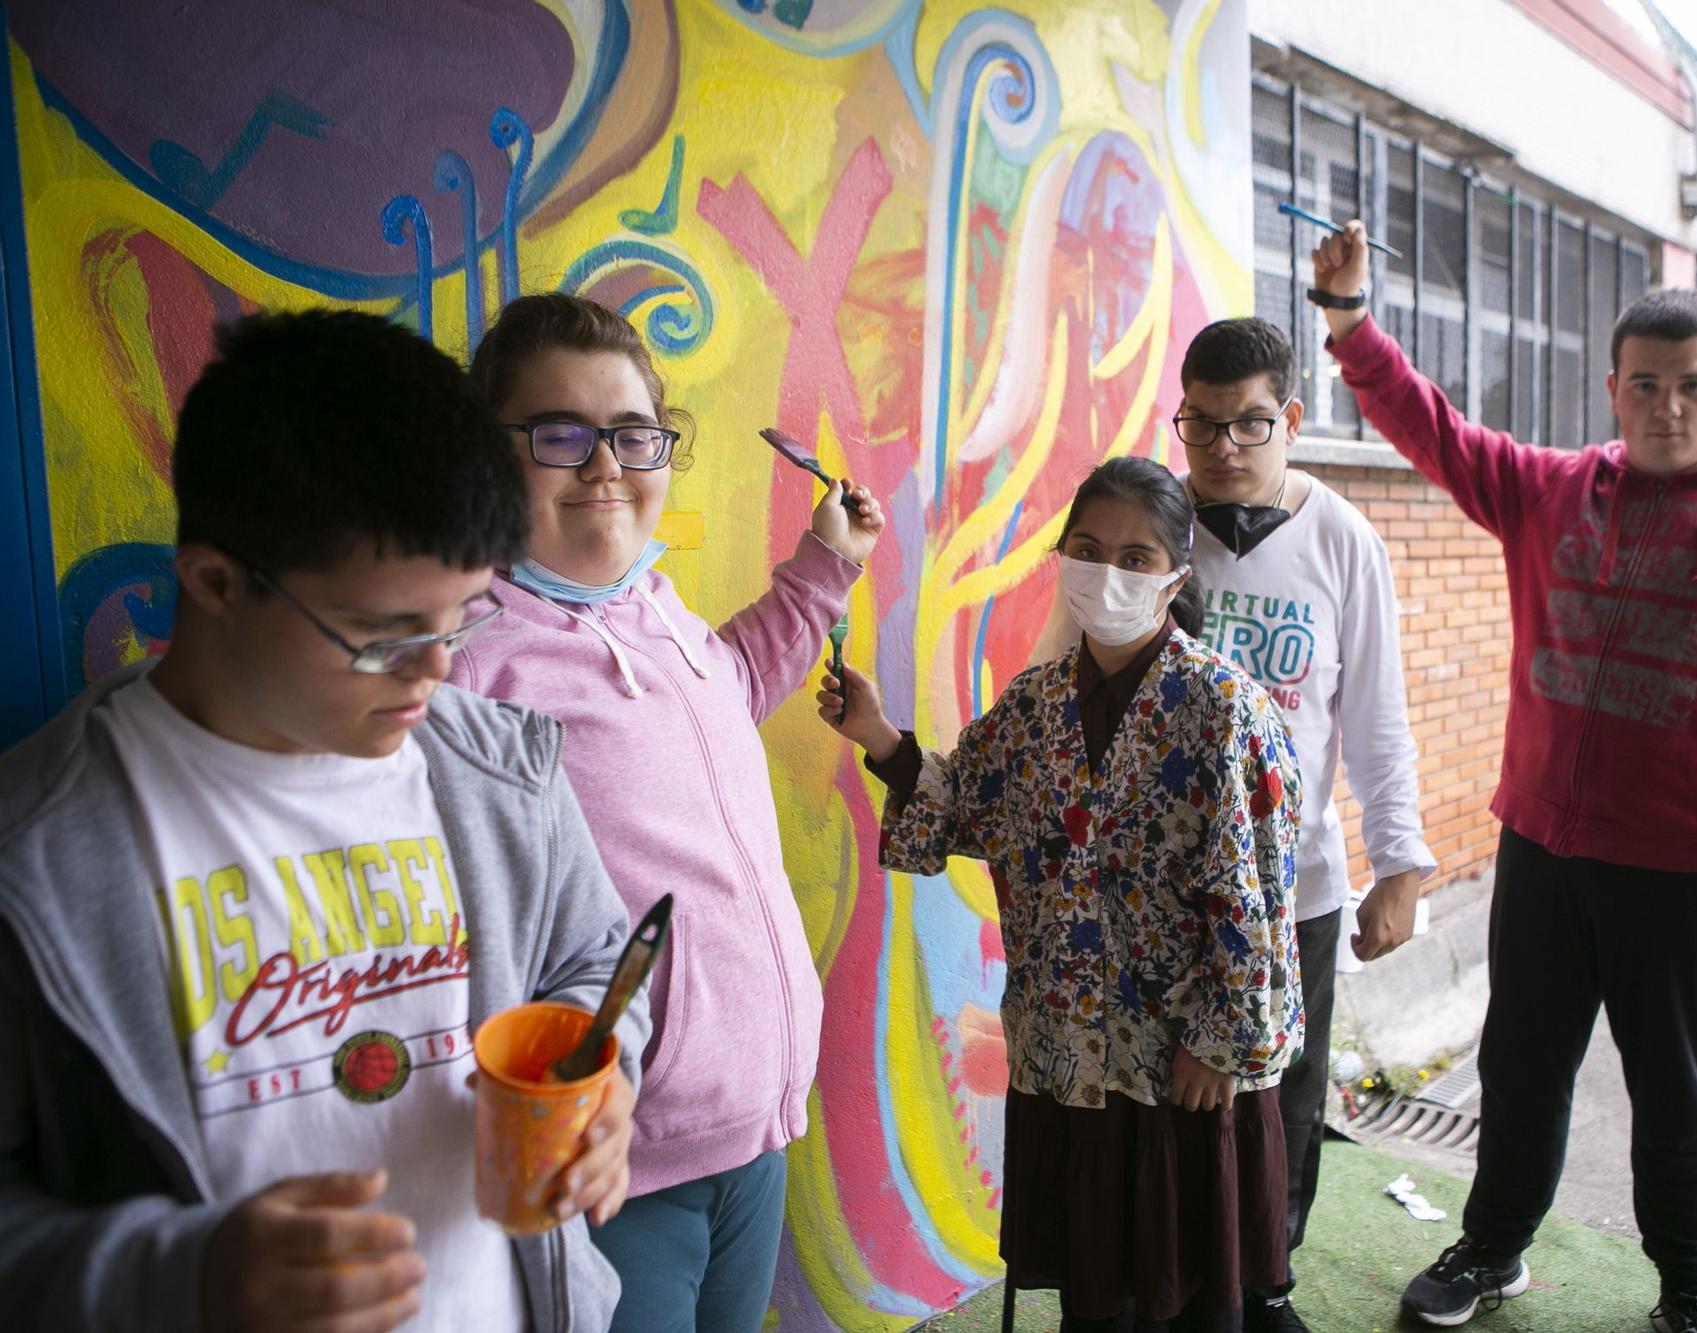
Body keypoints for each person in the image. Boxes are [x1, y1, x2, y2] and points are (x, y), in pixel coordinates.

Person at [0, 310, 646, 1333]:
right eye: (385, 636)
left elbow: (598, 963)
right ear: (214, 583)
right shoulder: (35, 859)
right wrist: (181, 1278)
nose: (438, 674)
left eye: (463, 616)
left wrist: (600, 1081)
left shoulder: (501, 772)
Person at [1308, 223, 1697, 1333]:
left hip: (1683, 878)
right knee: (1519, 1071)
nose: (1664, 407)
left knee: (1675, 1099)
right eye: (1641, 385)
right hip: (1540, 852)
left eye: (1687, 386)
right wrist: (1346, 321)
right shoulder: (1551, 491)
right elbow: (1434, 433)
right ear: (1613, 389)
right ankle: (1491, 1249)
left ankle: (1689, 1284)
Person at [451, 293, 884, 1332]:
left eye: (633, 434)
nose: (605, 465)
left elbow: (723, 687)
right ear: (485, 457)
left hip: (755, 1125)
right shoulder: (470, 662)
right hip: (621, 1164)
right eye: (560, 434)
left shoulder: (652, 608)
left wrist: (826, 570)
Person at [821, 456, 1304, 1331]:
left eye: (1134, 557)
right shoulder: (1034, 705)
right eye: (1087, 548)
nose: (1106, 572)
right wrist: (881, 738)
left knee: (1189, 1298)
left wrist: (1221, 1044)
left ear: (1177, 579)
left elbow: (1260, 892)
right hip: (1070, 1057)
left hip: (1178, 1071)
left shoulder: (1225, 708)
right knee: (1097, 1300)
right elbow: (966, 805)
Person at [1034, 318, 1434, 1332]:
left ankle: (1266, 1283)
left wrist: (1399, 864)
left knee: (1280, 1105)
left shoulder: (1341, 537)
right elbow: (1051, 683)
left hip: (1290, 888)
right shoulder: (1155, 534)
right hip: (1144, 903)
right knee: (1159, 1108)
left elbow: (1374, 716)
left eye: (1245, 425)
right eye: (1199, 426)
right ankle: (1155, 1281)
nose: (1219, 449)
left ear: (1290, 419)